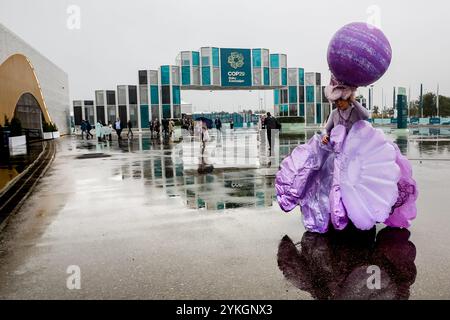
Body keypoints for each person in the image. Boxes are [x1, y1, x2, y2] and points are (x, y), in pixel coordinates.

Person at [275, 76, 418, 234]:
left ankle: (362, 212)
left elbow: (366, 116)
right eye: (336, 102)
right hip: (338, 153)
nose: (338, 104)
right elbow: (327, 128)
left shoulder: (355, 110)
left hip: (357, 153)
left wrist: (353, 100)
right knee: (334, 182)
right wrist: (325, 135)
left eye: (340, 101)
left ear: (347, 98)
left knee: (358, 183)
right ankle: (337, 214)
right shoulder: (334, 114)